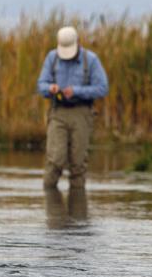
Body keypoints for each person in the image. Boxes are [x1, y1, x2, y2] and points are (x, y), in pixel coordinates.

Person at [37, 26, 108, 188]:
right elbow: (41, 84)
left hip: (81, 113)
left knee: (78, 164)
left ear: (78, 43)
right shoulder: (52, 58)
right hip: (58, 112)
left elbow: (103, 88)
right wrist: (49, 88)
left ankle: (77, 210)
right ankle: (50, 207)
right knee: (55, 159)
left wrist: (76, 91)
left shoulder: (91, 59)